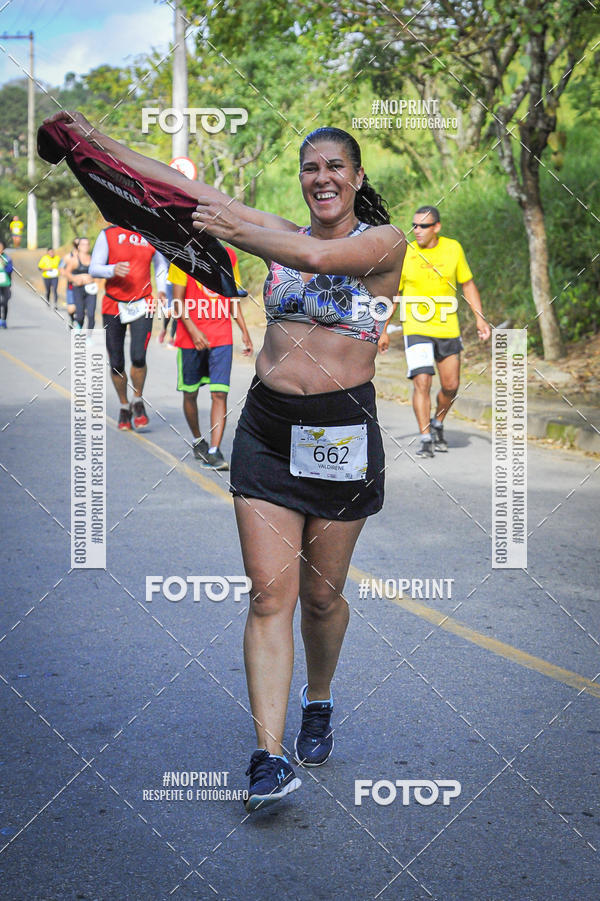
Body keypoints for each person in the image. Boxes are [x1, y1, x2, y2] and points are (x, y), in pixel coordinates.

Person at [41, 112, 406, 812]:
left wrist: (235, 228)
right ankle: (268, 757)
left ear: (357, 178)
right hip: (268, 427)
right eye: (311, 167)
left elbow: (322, 263)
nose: (322, 177)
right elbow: (179, 191)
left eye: (335, 166)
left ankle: (319, 698)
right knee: (270, 592)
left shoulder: (381, 243)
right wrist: (93, 141)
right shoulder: (282, 234)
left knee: (322, 595)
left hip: (338, 433)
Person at [378, 205, 490, 457]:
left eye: (423, 226)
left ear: (436, 227)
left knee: (451, 385)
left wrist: (480, 319)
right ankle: (426, 436)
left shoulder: (453, 249)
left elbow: (468, 284)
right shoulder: (407, 254)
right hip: (416, 327)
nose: (417, 231)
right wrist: (383, 329)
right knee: (422, 381)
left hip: (448, 328)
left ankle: (438, 422)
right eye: (414, 225)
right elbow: (396, 294)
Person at [169, 248, 253, 470]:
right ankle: (198, 440)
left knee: (219, 393)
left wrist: (243, 330)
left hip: (221, 337)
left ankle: (215, 451)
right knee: (190, 393)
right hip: (190, 339)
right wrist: (194, 331)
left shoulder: (228, 256)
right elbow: (177, 302)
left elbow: (232, 296)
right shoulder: (179, 255)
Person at [89, 225, 168, 431]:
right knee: (116, 362)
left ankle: (138, 400)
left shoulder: (151, 232)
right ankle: (124, 406)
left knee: (139, 356)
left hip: (143, 303)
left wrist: (162, 290)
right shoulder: (108, 234)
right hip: (113, 303)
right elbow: (93, 267)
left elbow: (161, 265)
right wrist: (111, 269)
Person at [63, 237, 98, 329]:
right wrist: (75, 279)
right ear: (79, 247)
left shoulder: (93, 259)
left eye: (87, 244)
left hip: (91, 289)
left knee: (91, 315)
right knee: (80, 315)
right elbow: (67, 272)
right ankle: (79, 331)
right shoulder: (74, 260)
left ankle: (89, 337)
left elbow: (98, 272)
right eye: (83, 244)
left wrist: (93, 278)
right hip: (78, 289)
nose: (85, 246)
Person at [0, 239, 13, 327]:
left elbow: (10, 269)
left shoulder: (7, 258)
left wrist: (5, 266)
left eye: (0, 247)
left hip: (6, 284)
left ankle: (4, 320)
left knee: (5, 302)